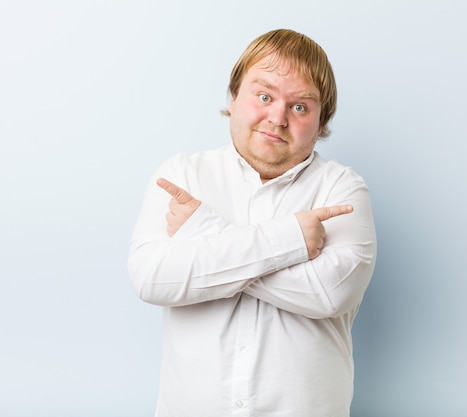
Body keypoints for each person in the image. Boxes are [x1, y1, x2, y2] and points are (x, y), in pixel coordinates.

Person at [128, 28, 377, 417]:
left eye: (300, 107)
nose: (277, 118)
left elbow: (330, 294)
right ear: (234, 98)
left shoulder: (342, 189)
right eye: (264, 96)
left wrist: (203, 234)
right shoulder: (181, 175)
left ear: (321, 120)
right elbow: (152, 278)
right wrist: (292, 239)